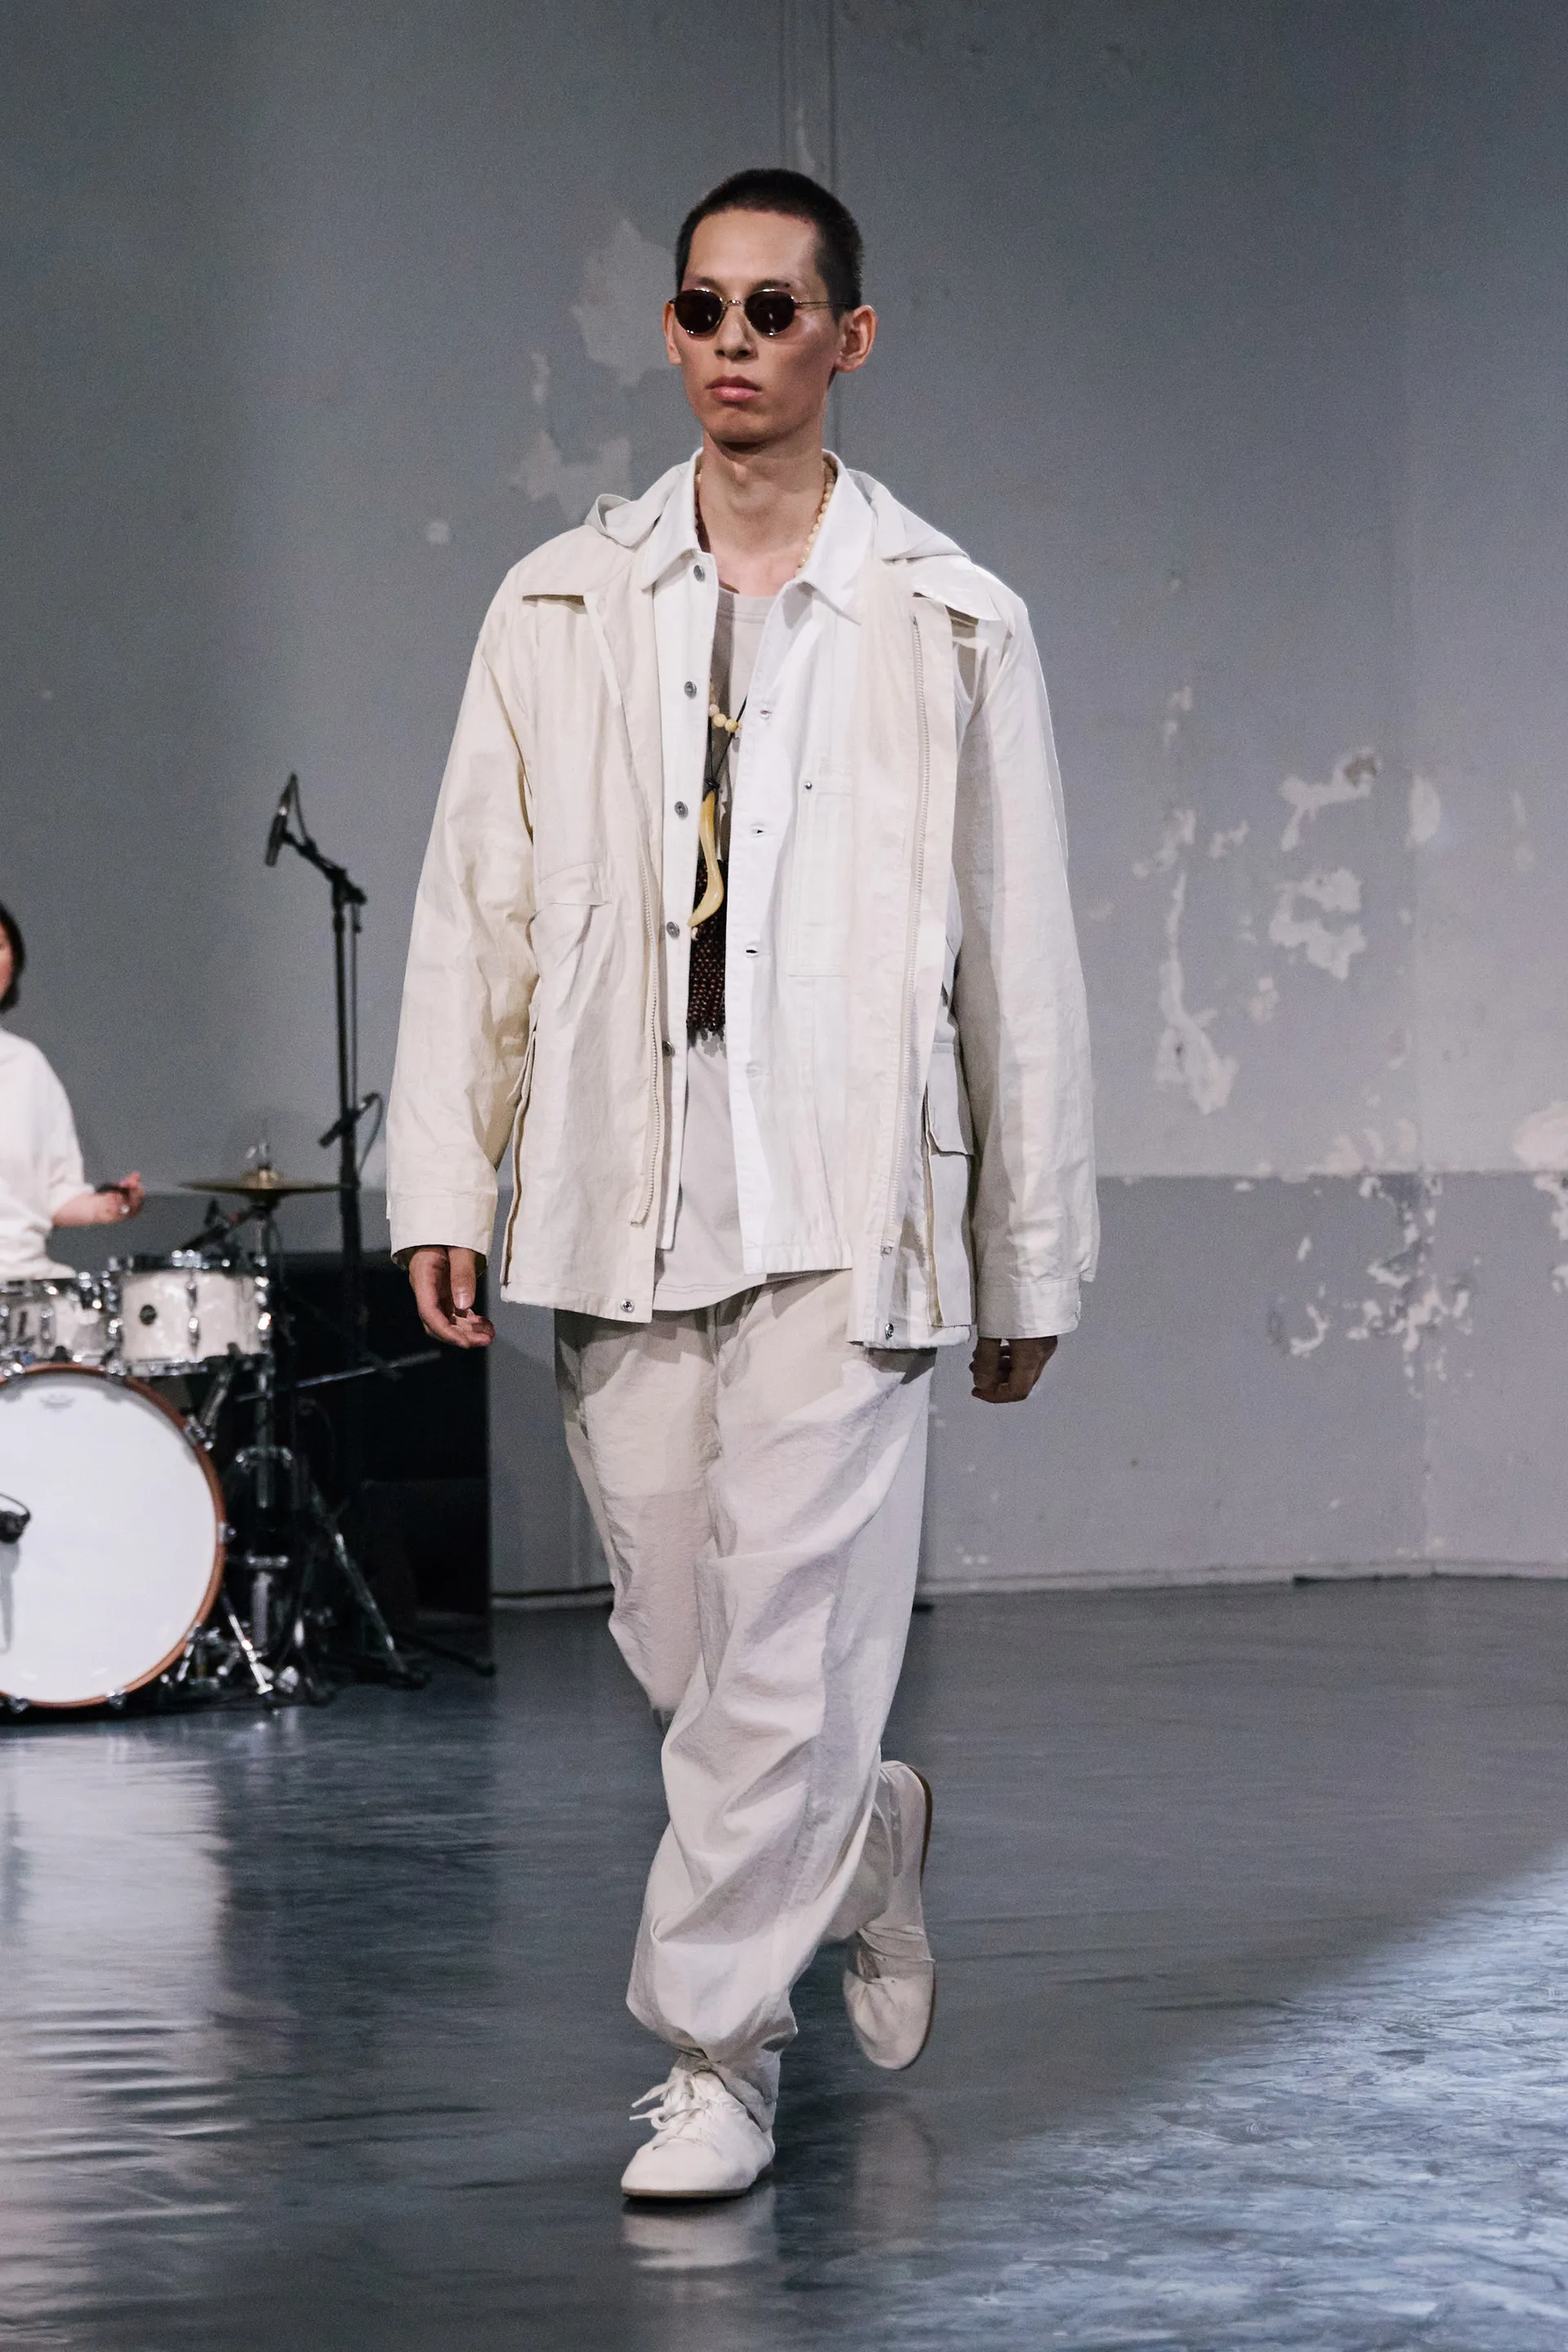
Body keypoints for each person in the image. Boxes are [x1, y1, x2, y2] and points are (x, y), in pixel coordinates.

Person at [387, 168, 1096, 2200]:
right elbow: (475, 905)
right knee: (684, 1643)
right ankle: (862, 1835)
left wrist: (1027, 1251)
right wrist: (443, 1175)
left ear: (847, 340)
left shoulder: (952, 619)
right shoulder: (556, 602)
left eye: (774, 309)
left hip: (847, 1198)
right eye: (703, 305)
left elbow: (1016, 950)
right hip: (619, 1182)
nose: (732, 341)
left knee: (782, 1651)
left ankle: (714, 2049)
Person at [0, 900, 144, 1278]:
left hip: (26, 1283)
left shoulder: (28, 1066)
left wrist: (107, 1206)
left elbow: (56, 1194)